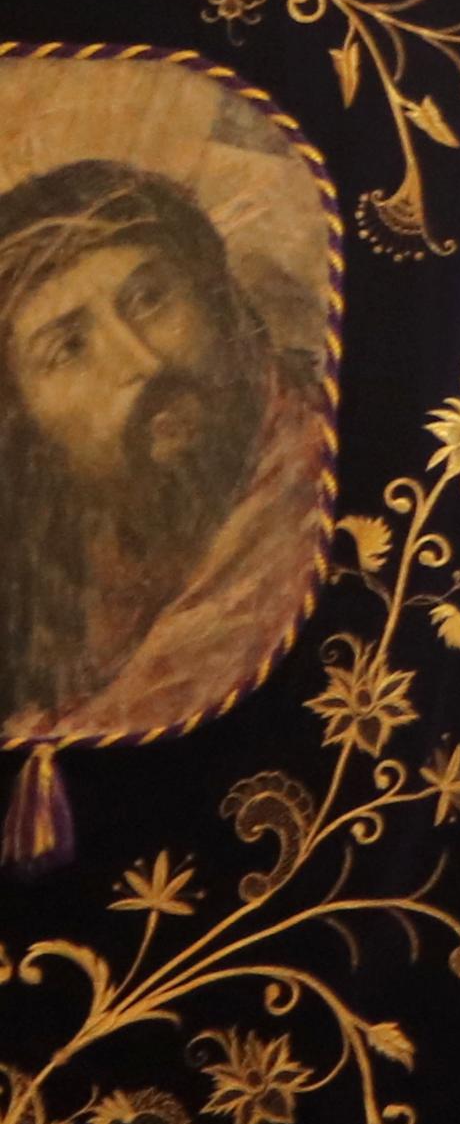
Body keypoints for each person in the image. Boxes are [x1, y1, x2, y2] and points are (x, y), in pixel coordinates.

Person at [0, 158, 328, 739]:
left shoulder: (312, 490)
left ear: (214, 300)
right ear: (23, 421)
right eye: (69, 347)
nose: (142, 364)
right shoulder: (62, 550)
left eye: (151, 300)